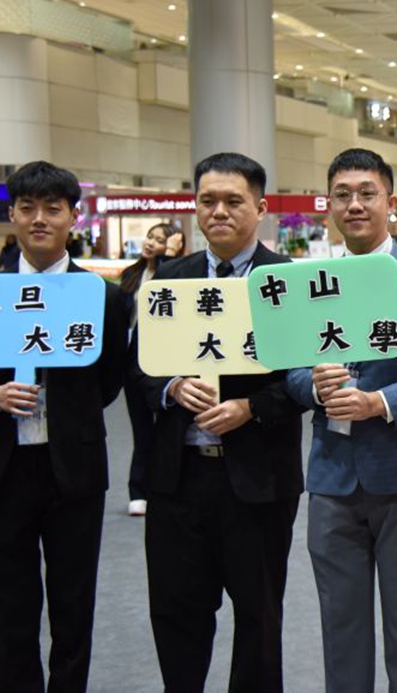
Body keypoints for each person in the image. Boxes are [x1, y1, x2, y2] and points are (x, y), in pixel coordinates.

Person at [0, 161, 130, 692]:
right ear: (12, 215)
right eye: (28, 208)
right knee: (13, 608)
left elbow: (110, 381)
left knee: (74, 607)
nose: (40, 219)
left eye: (53, 208)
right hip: (3, 471)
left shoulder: (103, 298)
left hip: (73, 469)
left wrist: (67, 407)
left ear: (74, 216)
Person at [285, 148, 397, 692]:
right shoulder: (309, 280)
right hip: (332, 478)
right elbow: (288, 369)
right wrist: (310, 386)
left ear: (391, 203)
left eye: (367, 193)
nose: (354, 204)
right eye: (342, 195)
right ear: (328, 206)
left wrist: (379, 403)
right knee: (341, 629)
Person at [137, 152, 304, 692]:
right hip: (178, 478)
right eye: (208, 201)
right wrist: (169, 387)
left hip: (257, 480)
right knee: (177, 614)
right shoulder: (172, 278)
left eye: (234, 201)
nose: (220, 212)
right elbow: (137, 366)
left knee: (258, 620)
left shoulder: (287, 281)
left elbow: (305, 381)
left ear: (260, 207)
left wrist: (250, 408)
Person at [117, 222, 176, 517]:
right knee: (141, 428)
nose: (151, 243)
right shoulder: (130, 275)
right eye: (150, 237)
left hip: (166, 361)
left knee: (165, 427)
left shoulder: (175, 273)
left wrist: (171, 259)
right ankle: (137, 488)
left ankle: (160, 486)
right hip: (132, 361)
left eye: (160, 239)